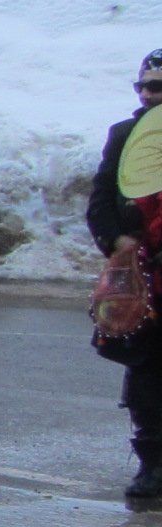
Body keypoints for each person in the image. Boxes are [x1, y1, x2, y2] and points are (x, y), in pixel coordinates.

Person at [84, 49, 162, 499]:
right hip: (147, 273)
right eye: (143, 86)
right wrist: (117, 242)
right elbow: (100, 202)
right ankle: (153, 463)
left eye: (158, 87)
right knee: (147, 369)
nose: (148, 96)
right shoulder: (125, 135)